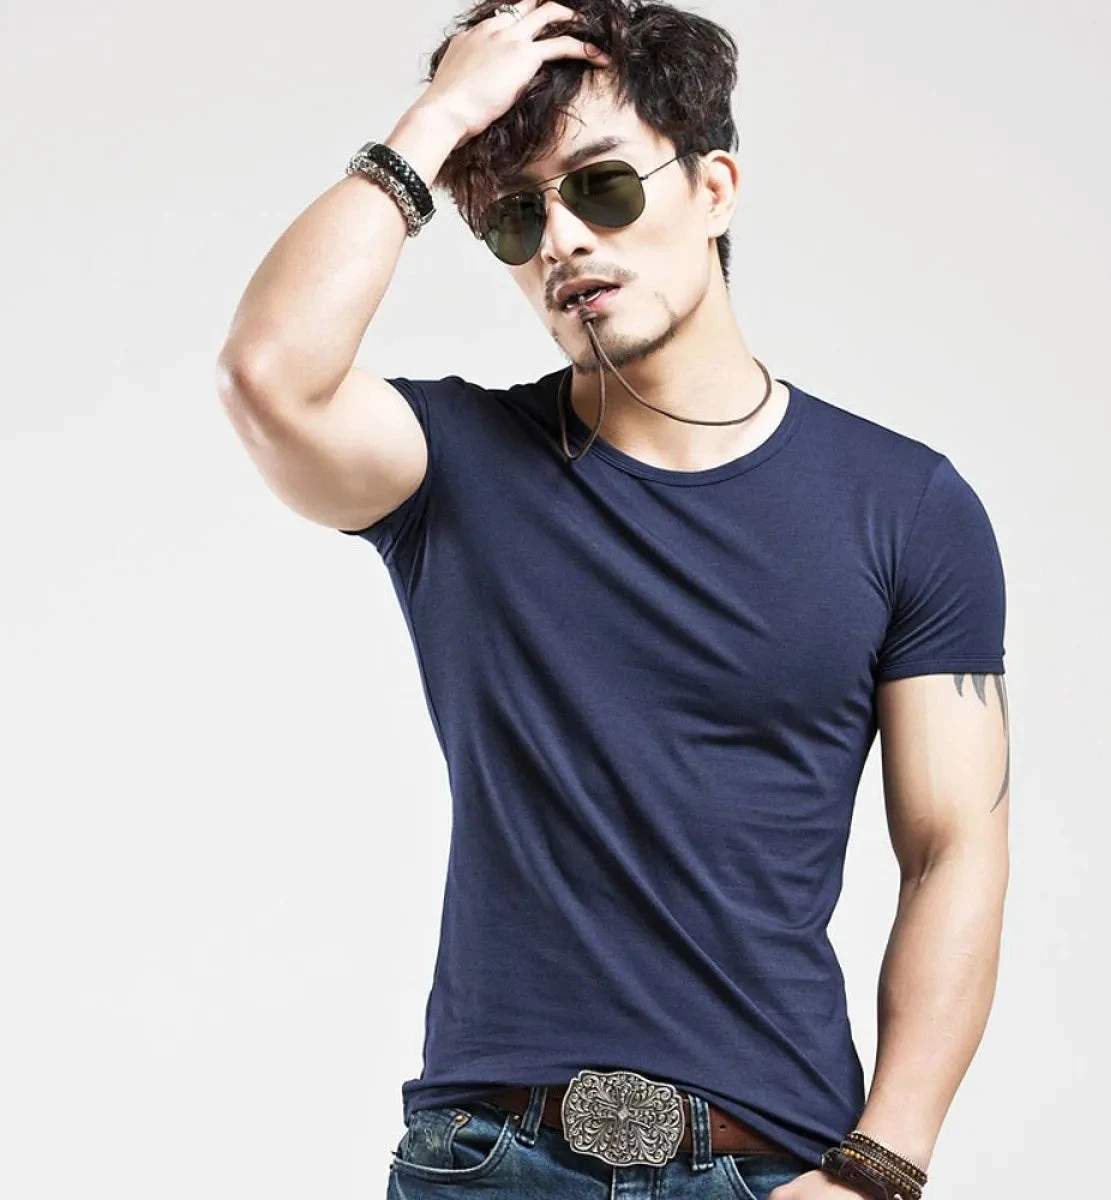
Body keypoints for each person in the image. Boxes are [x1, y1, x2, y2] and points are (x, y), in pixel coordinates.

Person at [216, 2, 1011, 1197]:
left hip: (771, 1164)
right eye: (517, 217)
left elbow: (955, 846)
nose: (563, 242)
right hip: (491, 1161)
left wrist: (880, 1168)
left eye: (603, 187)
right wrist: (436, 120)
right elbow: (267, 374)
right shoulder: (455, 470)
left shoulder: (906, 507)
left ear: (714, 189)